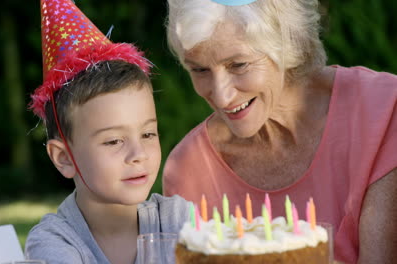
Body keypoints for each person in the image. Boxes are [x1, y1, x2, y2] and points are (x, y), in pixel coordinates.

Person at [163, 0, 397, 263]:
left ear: (286, 44)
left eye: (238, 65)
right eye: (200, 70)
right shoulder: (189, 170)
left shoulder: (383, 112)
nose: (221, 95)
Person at [24, 1, 189, 263]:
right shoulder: (53, 243)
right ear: (64, 158)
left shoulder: (178, 221)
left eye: (147, 134)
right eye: (113, 141)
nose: (138, 155)